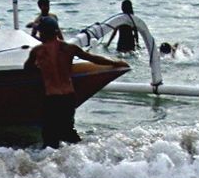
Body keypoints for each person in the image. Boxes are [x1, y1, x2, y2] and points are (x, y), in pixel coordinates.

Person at [24, 15, 127, 147]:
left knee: (50, 137)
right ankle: (84, 154)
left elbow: (27, 68)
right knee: (68, 132)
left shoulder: (38, 51)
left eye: (40, 31)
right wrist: (115, 62)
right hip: (69, 97)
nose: (39, 34)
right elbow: (93, 58)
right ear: (56, 32)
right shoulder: (69, 48)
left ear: (44, 32)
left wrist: (40, 67)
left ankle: (52, 163)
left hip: (52, 98)